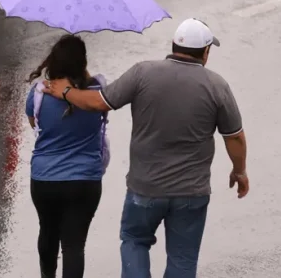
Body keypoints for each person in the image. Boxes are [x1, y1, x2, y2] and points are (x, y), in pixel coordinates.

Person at [41, 18, 249, 278]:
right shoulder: (217, 86)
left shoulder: (142, 73)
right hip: (191, 193)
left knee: (134, 242)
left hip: (145, 190)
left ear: (173, 46)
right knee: (183, 258)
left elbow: (98, 102)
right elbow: (235, 137)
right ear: (205, 52)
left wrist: (67, 92)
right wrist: (239, 171)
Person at [25, 35, 108, 278]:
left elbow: (35, 124)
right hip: (84, 181)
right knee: (74, 245)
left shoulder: (39, 94)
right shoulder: (96, 94)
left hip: (44, 179)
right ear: (82, 62)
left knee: (48, 232)